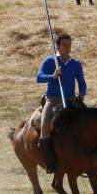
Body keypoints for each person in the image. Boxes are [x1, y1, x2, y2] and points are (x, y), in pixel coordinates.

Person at [34, 32, 86, 173]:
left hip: (70, 99)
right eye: (64, 45)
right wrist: (53, 76)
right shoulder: (50, 61)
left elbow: (81, 81)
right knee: (45, 124)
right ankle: (49, 161)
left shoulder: (75, 63)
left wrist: (82, 93)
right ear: (57, 46)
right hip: (53, 99)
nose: (67, 48)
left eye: (69, 45)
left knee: (88, 119)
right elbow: (38, 77)